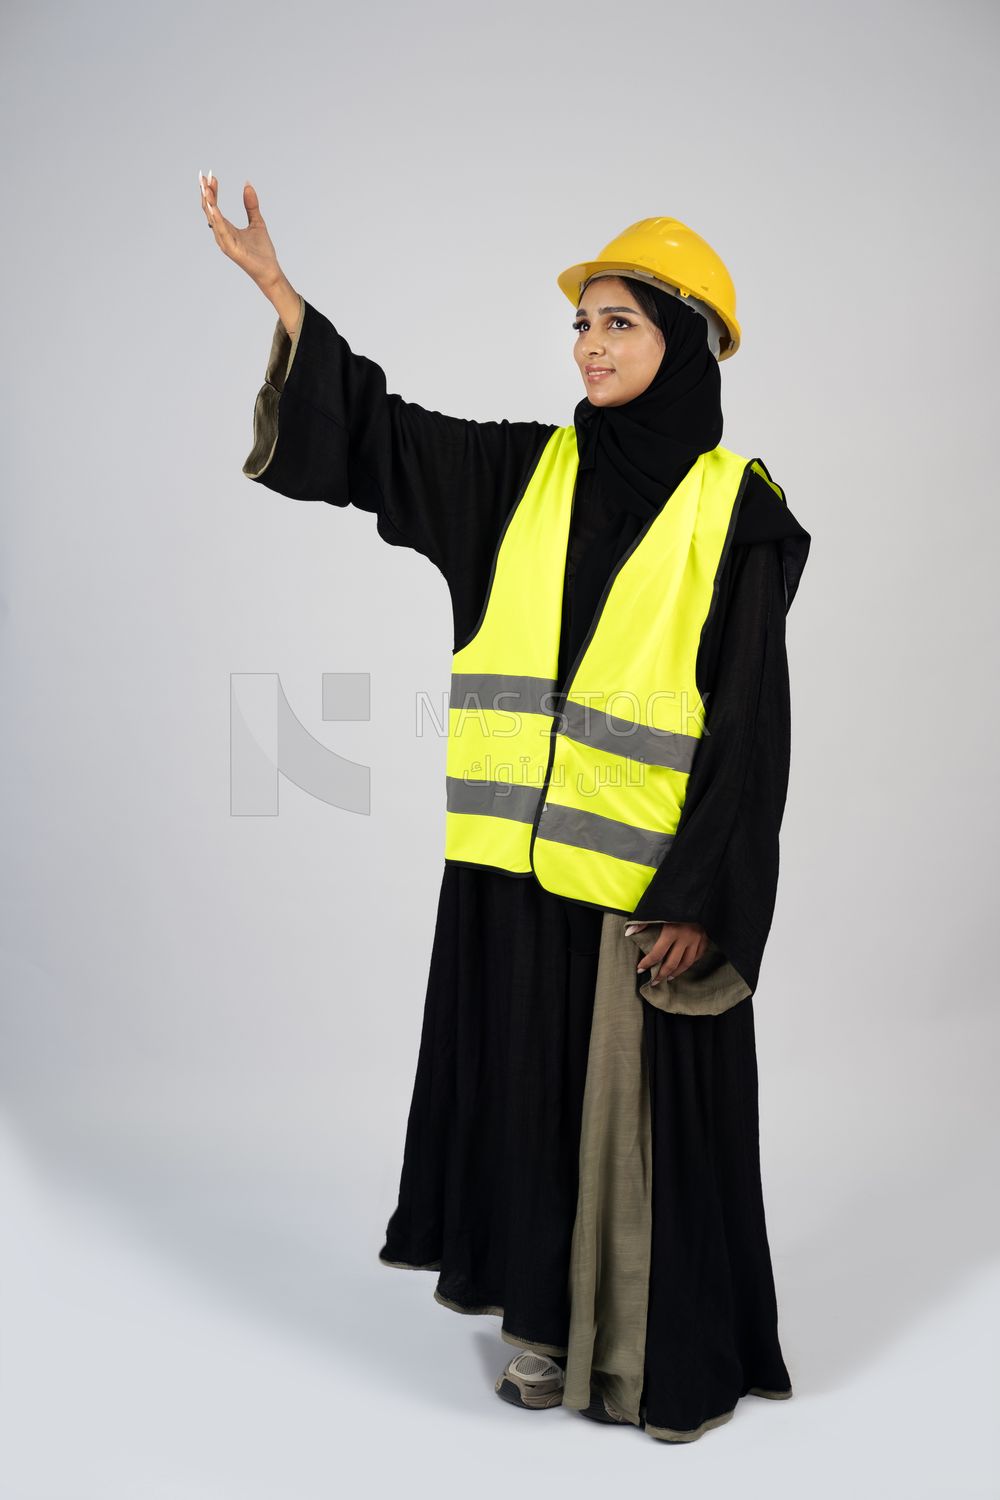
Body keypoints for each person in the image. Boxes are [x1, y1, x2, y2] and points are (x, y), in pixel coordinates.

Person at [200, 174, 811, 1443]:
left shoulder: (733, 511)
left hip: (640, 889)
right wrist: (279, 294)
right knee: (528, 1101)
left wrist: (704, 901)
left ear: (686, 346)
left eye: (619, 323)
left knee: (632, 1130)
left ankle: (647, 1360)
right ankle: (539, 1335)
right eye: (580, 325)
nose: (588, 345)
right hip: (508, 871)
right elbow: (377, 434)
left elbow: (751, 735)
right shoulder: (518, 475)